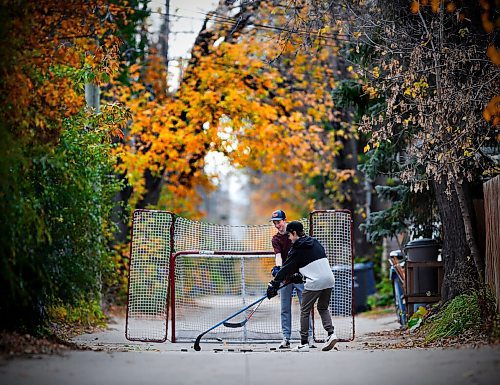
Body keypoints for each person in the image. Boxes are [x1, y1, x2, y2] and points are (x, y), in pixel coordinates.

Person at [267, 220, 338, 352]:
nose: (288, 237)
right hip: (329, 279)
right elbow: (311, 261)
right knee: (323, 307)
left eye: (289, 235)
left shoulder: (297, 248)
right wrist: (300, 274)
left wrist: (274, 284)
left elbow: (286, 268)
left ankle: (304, 342)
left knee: (304, 311)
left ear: (294, 233)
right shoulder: (315, 242)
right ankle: (331, 334)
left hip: (315, 281)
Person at [269, 210, 314, 349]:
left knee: (305, 308)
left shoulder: (294, 234)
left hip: (300, 277)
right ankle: (286, 338)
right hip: (286, 278)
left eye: (279, 222)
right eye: (275, 223)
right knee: (285, 309)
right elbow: (278, 256)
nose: (277, 225)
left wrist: (301, 271)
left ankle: (309, 338)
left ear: (285, 220)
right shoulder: (276, 239)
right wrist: (278, 269)